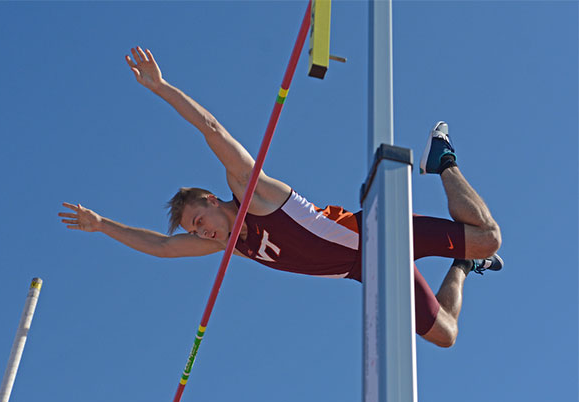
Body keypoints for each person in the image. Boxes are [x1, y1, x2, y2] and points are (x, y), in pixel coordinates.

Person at [59, 46, 502, 348]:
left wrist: (161, 87)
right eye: (198, 231)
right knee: (445, 335)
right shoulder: (227, 243)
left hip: (373, 237)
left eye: (200, 220)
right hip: (364, 272)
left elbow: (212, 130)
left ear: (213, 199)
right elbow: (160, 246)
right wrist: (103, 226)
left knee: (488, 236)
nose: (204, 233)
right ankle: (464, 265)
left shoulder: (253, 192)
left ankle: (442, 159)